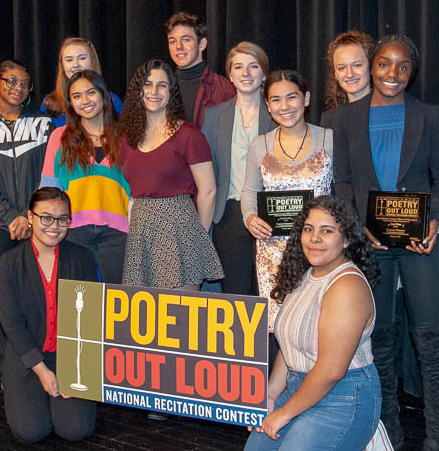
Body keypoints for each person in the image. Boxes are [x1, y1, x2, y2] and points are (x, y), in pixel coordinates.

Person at [333, 35, 439, 451]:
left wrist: (435, 221)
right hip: (371, 243)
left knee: (429, 336)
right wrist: (356, 226)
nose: (392, 74)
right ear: (372, 66)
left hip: (421, 243)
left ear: (412, 72)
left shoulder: (430, 114)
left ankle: (436, 437)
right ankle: (392, 434)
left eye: (402, 67)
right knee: (380, 337)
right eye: (384, 64)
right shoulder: (342, 119)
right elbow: (343, 182)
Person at [245, 195, 381, 451]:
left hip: (344, 396)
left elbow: (331, 370)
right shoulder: (304, 276)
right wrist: (271, 395)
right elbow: (290, 348)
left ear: (347, 239)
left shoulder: (347, 285)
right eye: (309, 229)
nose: (315, 238)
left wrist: (284, 414)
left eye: (326, 231)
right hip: (300, 388)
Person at [0, 187, 97, 442]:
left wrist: (73, 370)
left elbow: (87, 321)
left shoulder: (82, 258)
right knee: (31, 432)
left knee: (76, 430)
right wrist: (41, 370)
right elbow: (11, 324)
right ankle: (14, 383)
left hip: (70, 357)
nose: (54, 226)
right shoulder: (10, 262)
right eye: (46, 218)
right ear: (30, 217)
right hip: (27, 356)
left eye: (63, 219)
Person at [241, 69, 333, 335]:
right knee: (280, 328)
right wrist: (250, 218)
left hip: (320, 248)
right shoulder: (260, 145)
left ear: (305, 99)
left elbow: (343, 192)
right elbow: (249, 191)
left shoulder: (329, 138)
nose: (285, 106)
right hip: (273, 252)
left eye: (291, 97)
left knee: (317, 328)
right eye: (276, 100)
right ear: (268, 106)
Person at [120, 59, 224, 291]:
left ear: (171, 92)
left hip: (179, 229)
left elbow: (208, 191)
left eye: (162, 85)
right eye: (148, 84)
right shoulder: (128, 139)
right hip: (141, 230)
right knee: (145, 318)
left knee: (182, 316)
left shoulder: (189, 135)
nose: (154, 91)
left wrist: (199, 238)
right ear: (139, 91)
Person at [0, 60, 52, 357]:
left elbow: (51, 170)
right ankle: (9, 362)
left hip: (39, 223)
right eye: (11, 81)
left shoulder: (43, 123)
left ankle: (42, 359)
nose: (18, 88)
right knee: (3, 293)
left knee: (39, 291)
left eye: (25, 83)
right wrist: (11, 216)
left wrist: (31, 214)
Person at [40, 70, 130, 284]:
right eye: (77, 96)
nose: (85, 101)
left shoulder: (126, 137)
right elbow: (49, 190)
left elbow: (136, 189)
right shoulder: (58, 138)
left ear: (104, 95)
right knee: (79, 308)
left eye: (91, 93)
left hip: (118, 234)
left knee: (118, 306)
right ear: (70, 103)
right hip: (73, 232)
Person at [202, 42, 275, 295]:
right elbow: (206, 171)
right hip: (229, 214)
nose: (246, 73)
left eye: (253, 66)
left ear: (264, 73)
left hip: (269, 212)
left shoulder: (279, 114)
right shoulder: (214, 116)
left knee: (269, 290)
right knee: (236, 293)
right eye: (238, 67)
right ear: (230, 76)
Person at [164, 12, 235, 128]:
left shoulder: (224, 89)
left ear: (202, 44)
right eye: (172, 41)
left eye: (186, 40)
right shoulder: (163, 88)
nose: (178, 46)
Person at [41, 37, 122, 127]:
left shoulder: (112, 101)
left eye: (82, 58)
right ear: (62, 65)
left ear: (92, 61)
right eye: (69, 60)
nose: (75, 65)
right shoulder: (49, 103)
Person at [320, 30, 375, 128]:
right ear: (335, 74)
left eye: (357, 65)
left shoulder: (388, 109)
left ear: (371, 67)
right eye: (342, 68)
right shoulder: (329, 119)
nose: (350, 74)